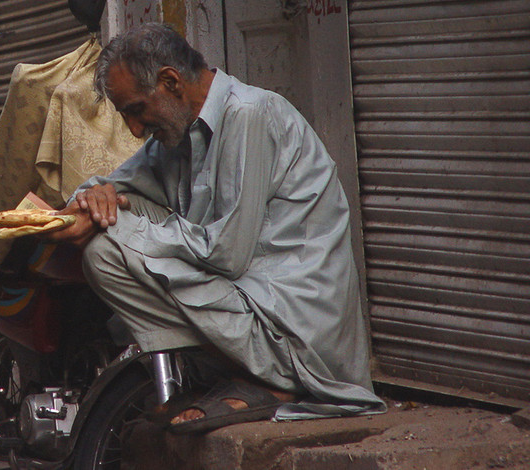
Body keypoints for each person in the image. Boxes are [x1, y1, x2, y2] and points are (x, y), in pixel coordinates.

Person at [51, 22, 385, 433]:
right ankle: (229, 370)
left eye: (137, 110)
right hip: (242, 297)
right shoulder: (175, 136)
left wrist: (118, 226)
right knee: (102, 246)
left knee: (111, 240)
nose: (135, 130)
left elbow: (226, 253)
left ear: (171, 81)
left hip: (288, 325)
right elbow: (117, 184)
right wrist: (92, 200)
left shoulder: (250, 116)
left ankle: (274, 381)